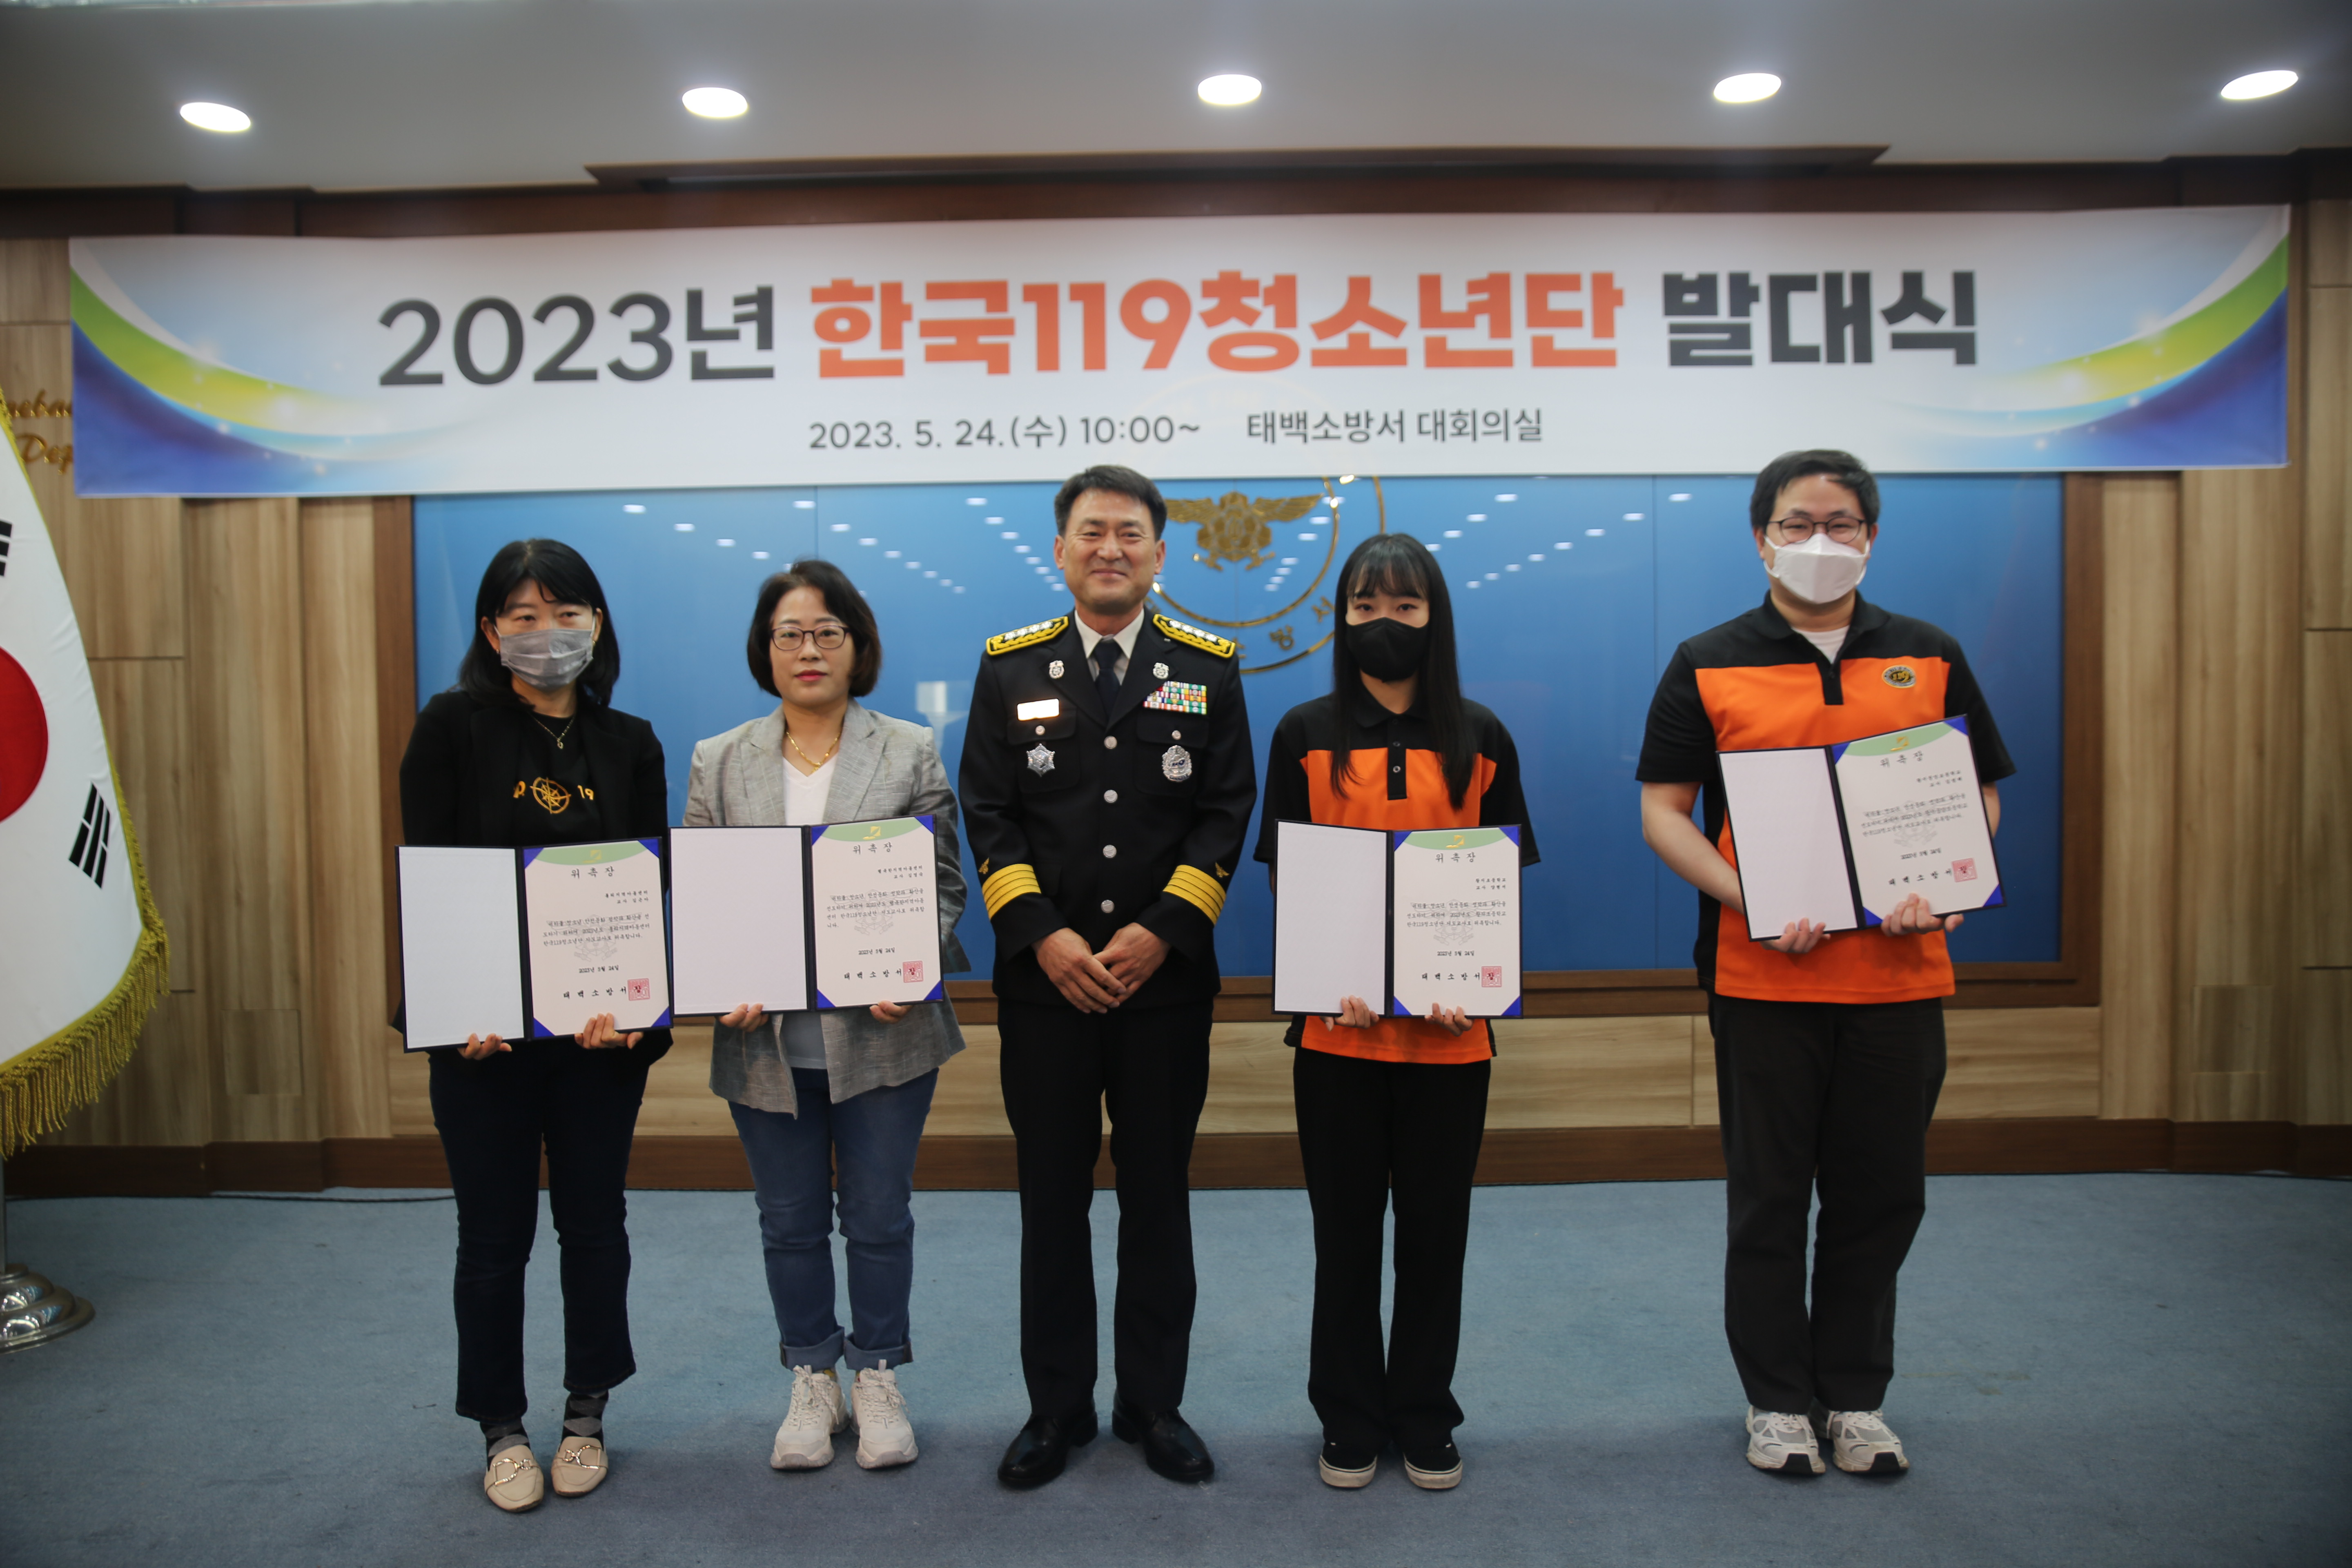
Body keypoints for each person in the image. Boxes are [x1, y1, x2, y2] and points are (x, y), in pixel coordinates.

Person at [1635, 449, 2013, 1478]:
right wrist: (1749, 897)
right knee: (1769, 1197)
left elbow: (1979, 792)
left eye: (1841, 524)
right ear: (1762, 539)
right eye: (1797, 524)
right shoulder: (1707, 660)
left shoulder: (1929, 654)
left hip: (1900, 977)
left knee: (1881, 1194)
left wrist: (1951, 882)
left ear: (1871, 537)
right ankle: (1775, 1402)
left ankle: (1853, 1397)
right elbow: (1664, 812)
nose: (1819, 542)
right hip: (1765, 980)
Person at [959, 465, 1257, 1488]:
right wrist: (1041, 935)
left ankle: (1153, 1404)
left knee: (1157, 1198)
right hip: (1045, 989)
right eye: (1091, 532)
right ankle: (1057, 1410)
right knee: (1051, 1201)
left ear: (1160, 554)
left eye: (1130, 533)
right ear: (1061, 550)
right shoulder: (1010, 668)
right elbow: (988, 815)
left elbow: (1225, 812)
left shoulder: (1207, 666)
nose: (1110, 549)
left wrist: (1164, 931)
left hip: (1161, 990)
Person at [1252, 532, 1537, 1492]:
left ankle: (1423, 1412)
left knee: (1434, 1240)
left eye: (1405, 607)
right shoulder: (1302, 732)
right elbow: (1291, 876)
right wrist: (1329, 969)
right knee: (1344, 1240)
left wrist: (1473, 980)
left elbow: (1498, 882)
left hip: (1451, 1044)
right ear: (1341, 619)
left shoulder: (1484, 737)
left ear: (1434, 618)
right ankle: (1348, 1415)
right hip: (1337, 1038)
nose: (1385, 623)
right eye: (1365, 606)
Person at [399, 538, 671, 1513]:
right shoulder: (452, 727)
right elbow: (431, 880)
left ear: (597, 624)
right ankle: (502, 1429)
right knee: (492, 1237)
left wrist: (634, 1010)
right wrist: (455, 1007)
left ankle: (587, 1414)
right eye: (523, 615)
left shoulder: (630, 740)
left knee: (595, 1227)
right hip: (486, 1043)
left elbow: (648, 889)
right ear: (491, 631)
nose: (546, 632)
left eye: (566, 613)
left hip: (597, 1042)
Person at [682, 559, 968, 1473]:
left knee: (879, 1215)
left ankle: (878, 1372)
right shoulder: (720, 759)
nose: (808, 649)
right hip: (763, 1041)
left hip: (884, 1031)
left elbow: (944, 884)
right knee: (790, 1221)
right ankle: (812, 1375)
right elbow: (703, 897)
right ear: (765, 650)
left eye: (827, 632)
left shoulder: (909, 749)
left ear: (857, 645)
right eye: (789, 634)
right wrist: (717, 977)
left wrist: (912, 961)